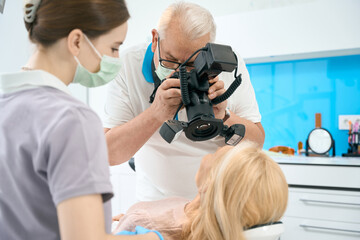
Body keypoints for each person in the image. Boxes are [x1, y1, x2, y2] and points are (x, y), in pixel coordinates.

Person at [0, 0, 161, 239]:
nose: (116, 59)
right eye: (114, 48)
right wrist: (152, 237)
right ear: (76, 41)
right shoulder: (72, 119)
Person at [104, 1, 265, 201]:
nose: (179, 73)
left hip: (218, 200)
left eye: (191, 64)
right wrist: (156, 113)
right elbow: (108, 154)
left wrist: (224, 117)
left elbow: (257, 142)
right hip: (155, 200)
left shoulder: (229, 66)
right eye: (171, 60)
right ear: (155, 40)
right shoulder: (127, 65)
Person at [112, 142, 289, 240]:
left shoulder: (148, 225)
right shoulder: (199, 218)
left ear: (208, 186)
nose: (222, 146)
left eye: (218, 156)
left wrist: (130, 220)